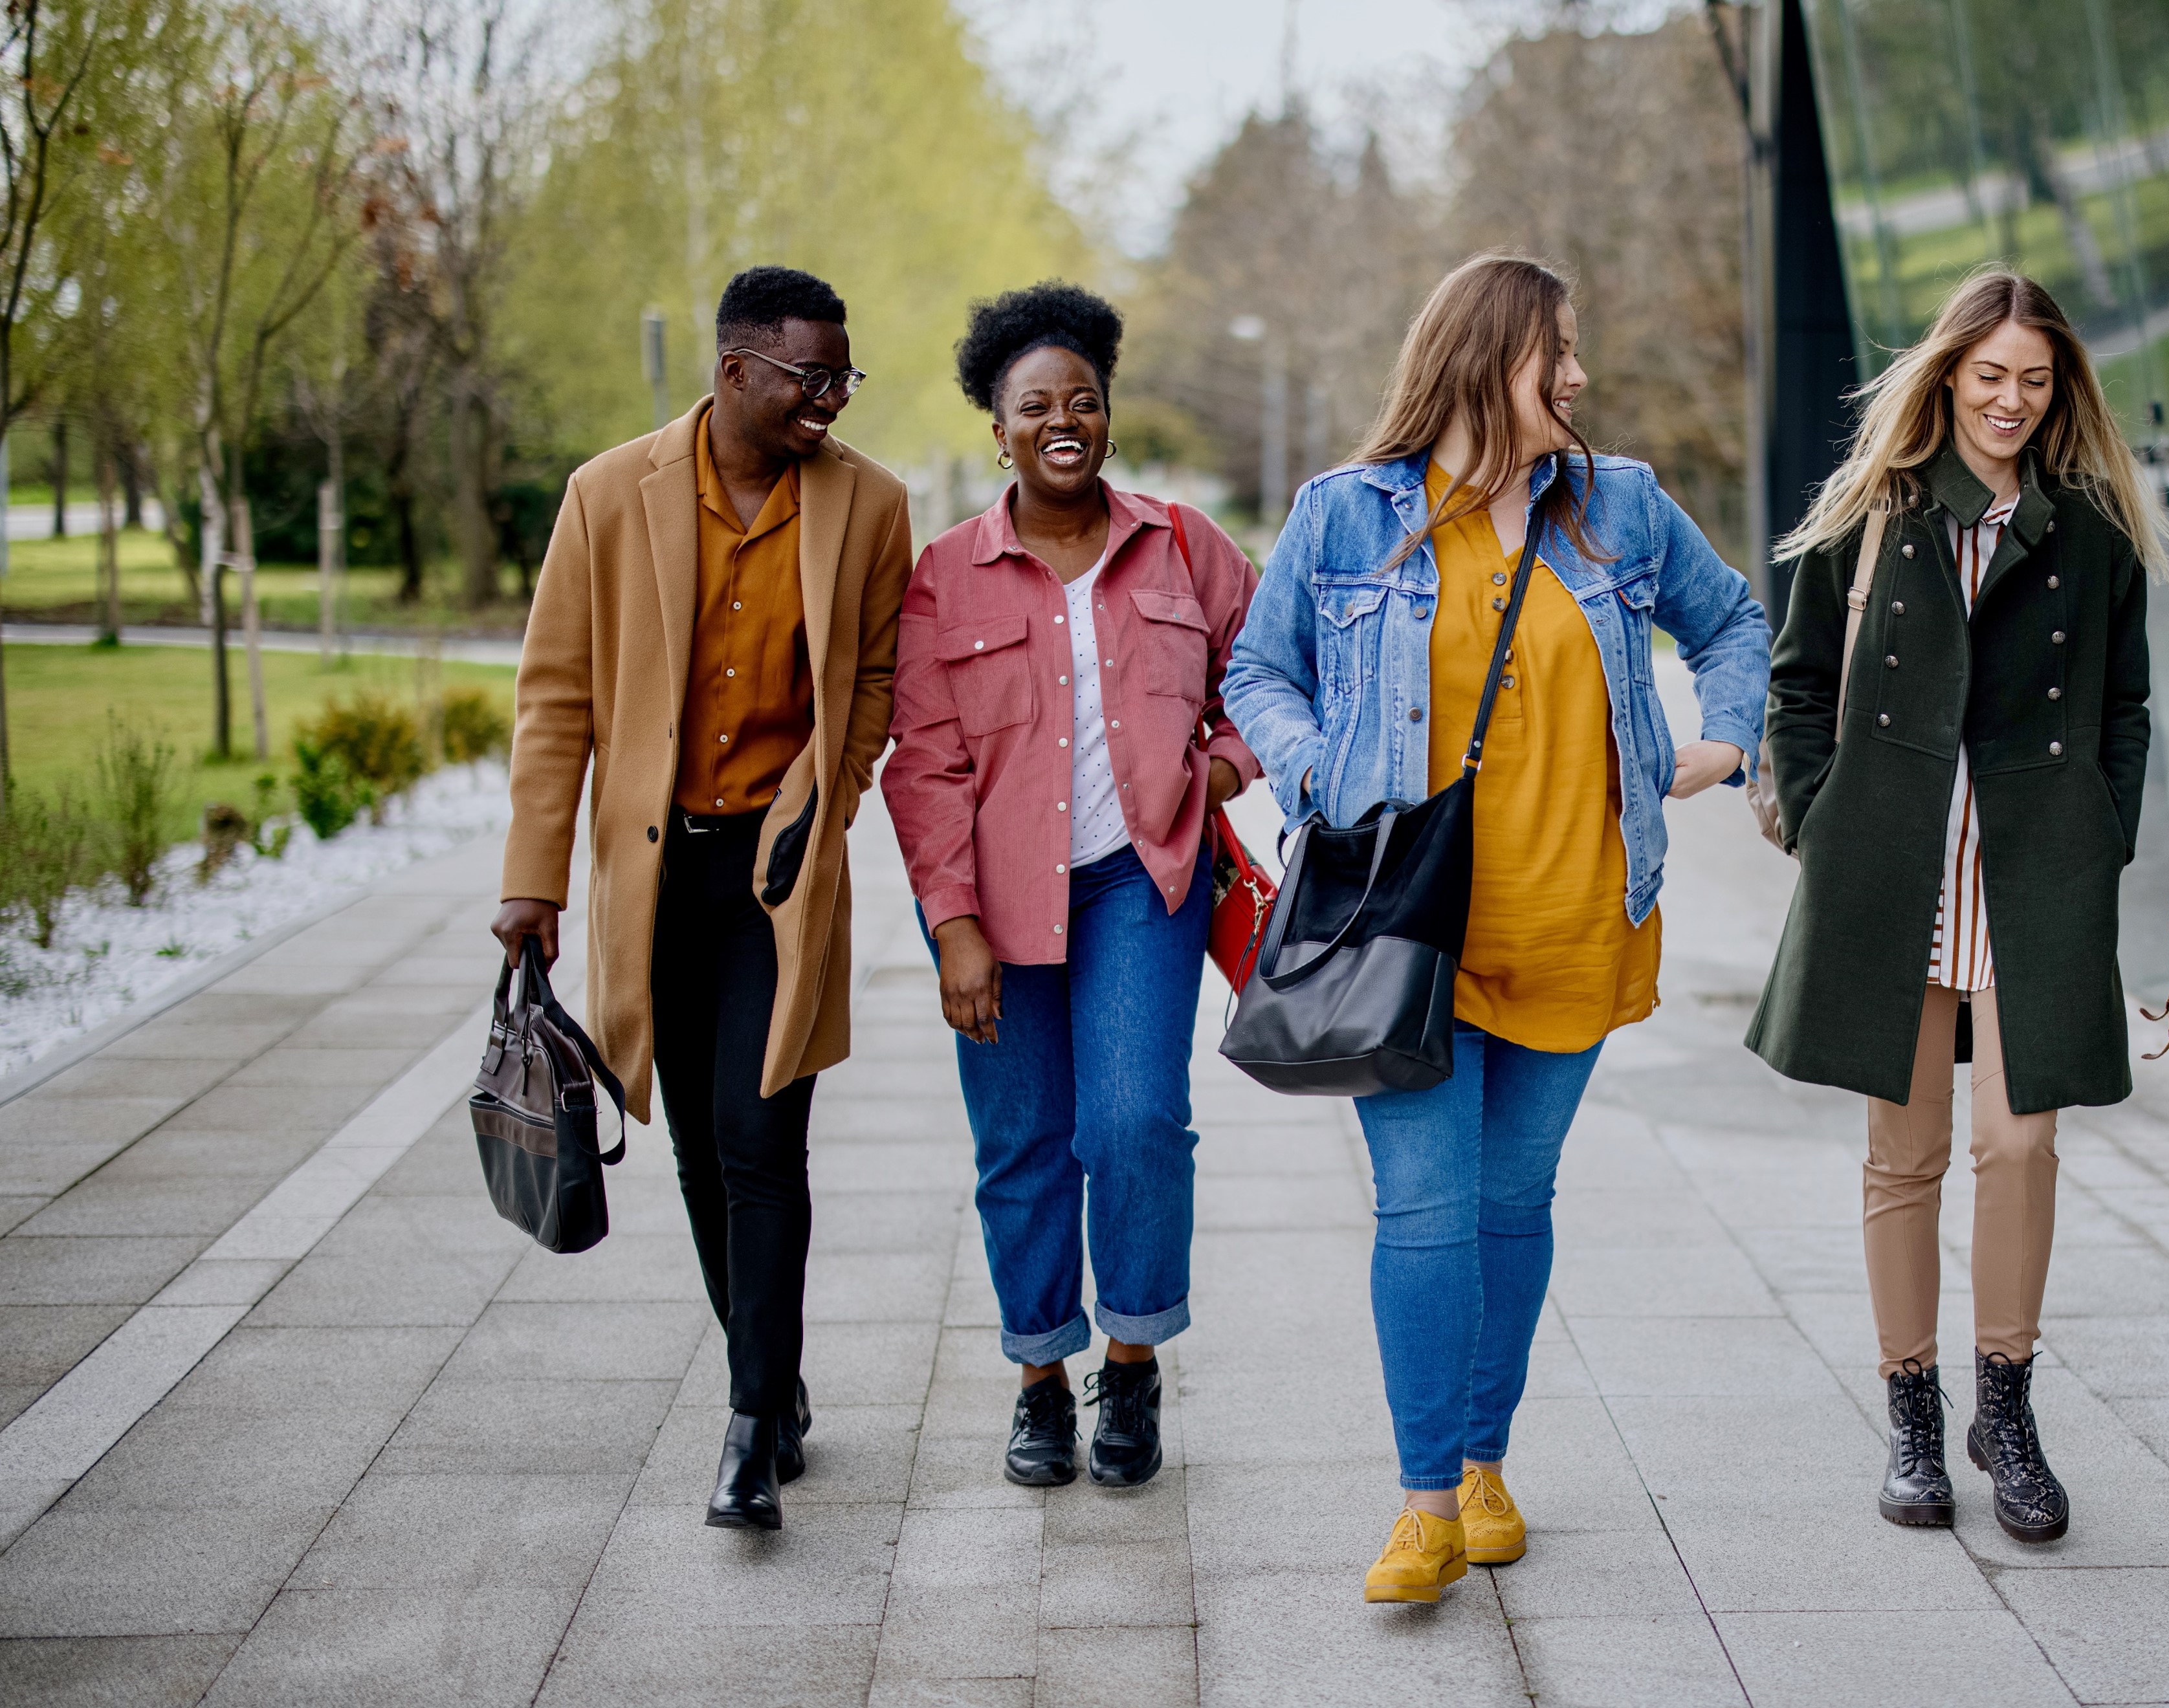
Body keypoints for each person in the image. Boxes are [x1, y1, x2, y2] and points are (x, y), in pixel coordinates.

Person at [1223, 252, 1769, 1604]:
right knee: (1425, 1208)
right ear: (1482, 360)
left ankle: (1481, 1460)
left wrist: (1723, 745)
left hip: (1581, 916)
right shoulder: (1345, 515)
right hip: (1405, 930)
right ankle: (1422, 1504)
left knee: (1513, 1203)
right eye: (1556, 350)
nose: (1579, 375)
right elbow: (1258, 669)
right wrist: (1315, 779)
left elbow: (1736, 623)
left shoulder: (1619, 508)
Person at [1748, 271, 2166, 1544]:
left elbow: (2125, 707)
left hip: (2030, 871)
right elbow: (1799, 684)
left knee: (2023, 1145)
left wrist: (2100, 836)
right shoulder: (1874, 512)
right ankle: (1914, 1418)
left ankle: (2009, 1406)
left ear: (2058, 392)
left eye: (2033, 381)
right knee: (1904, 1158)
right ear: (1947, 377)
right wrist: (1824, 818)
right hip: (1897, 871)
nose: (2009, 400)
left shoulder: (2090, 526)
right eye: (1988, 376)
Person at [494, 265, 913, 1531]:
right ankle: (771, 1379)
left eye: (844, 378)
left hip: (776, 879)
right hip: (653, 875)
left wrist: (826, 807)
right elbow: (556, 698)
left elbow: (878, 681)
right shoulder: (606, 496)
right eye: (809, 378)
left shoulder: (870, 507)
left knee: (760, 1138)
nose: (830, 401)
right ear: (735, 372)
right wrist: (533, 880)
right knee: (692, 1142)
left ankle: (745, 1430)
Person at [882, 282, 1257, 1492]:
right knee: (1024, 1143)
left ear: (1106, 414)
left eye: (1081, 401)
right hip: (997, 904)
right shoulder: (945, 577)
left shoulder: (1185, 545)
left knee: (1136, 1120)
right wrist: (952, 926)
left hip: (1143, 883)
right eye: (1032, 404)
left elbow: (1268, 676)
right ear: (996, 428)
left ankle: (1133, 1359)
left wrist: (1226, 767)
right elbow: (925, 764)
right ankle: (1041, 1378)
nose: (1061, 420)